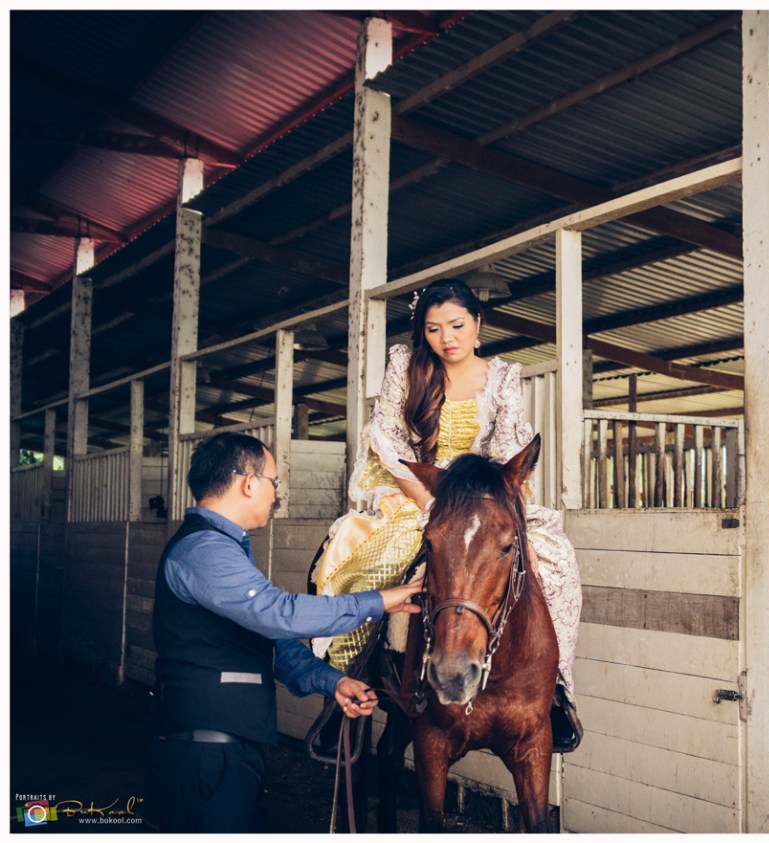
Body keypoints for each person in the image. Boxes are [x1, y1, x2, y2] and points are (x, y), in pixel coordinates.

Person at [311, 278, 582, 750]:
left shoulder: (502, 378)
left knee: (557, 568)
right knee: (365, 567)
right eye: (433, 329)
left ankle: (554, 691)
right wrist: (428, 502)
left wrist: (515, 529)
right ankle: (344, 692)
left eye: (456, 326)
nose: (446, 338)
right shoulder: (406, 366)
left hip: (484, 498)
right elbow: (389, 441)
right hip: (418, 493)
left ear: (478, 324)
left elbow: (510, 456)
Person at [148, 432, 426, 833]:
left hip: (229, 749)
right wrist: (377, 601)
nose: (275, 495)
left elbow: (270, 643)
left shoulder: (224, 548)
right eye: (273, 483)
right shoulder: (204, 551)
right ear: (248, 483)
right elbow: (277, 614)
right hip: (206, 755)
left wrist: (333, 682)